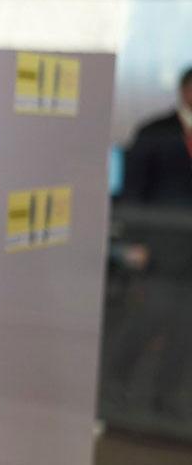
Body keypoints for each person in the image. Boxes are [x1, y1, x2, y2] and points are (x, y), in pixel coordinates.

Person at [105, 66, 192, 417]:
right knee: (148, 320)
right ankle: (116, 382)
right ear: (184, 90)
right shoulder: (155, 132)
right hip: (159, 252)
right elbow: (132, 193)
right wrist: (135, 243)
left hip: (190, 256)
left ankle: (167, 394)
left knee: (185, 330)